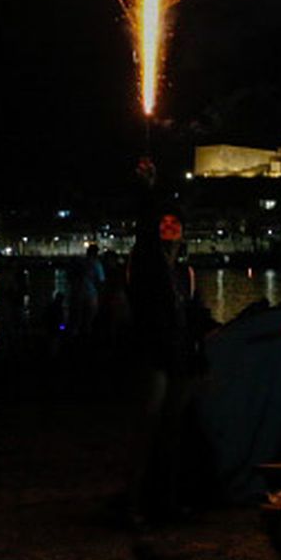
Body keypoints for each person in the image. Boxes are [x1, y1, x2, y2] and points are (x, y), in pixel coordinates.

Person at [117, 158, 209, 525]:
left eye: (175, 222)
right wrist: (149, 190)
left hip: (179, 358)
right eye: (163, 221)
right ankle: (131, 506)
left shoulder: (185, 272)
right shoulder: (145, 262)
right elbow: (144, 229)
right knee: (147, 429)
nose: (169, 224)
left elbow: (196, 316)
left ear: (183, 232)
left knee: (171, 433)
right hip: (152, 355)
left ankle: (165, 501)